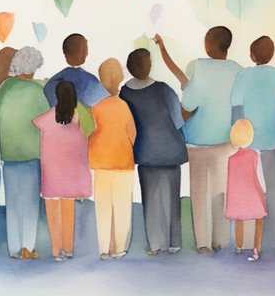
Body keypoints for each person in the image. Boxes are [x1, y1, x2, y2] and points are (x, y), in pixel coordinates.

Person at [155, 27, 241, 253]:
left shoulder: (201, 68)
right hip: (225, 141)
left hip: (197, 142)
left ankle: (202, 243)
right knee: (220, 192)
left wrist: (178, 120)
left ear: (209, 44)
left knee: (198, 193)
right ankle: (220, 241)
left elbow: (188, 106)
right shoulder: (237, 70)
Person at [119, 47, 187, 255]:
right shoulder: (163, 89)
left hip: (145, 151)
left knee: (150, 198)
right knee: (172, 197)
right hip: (169, 150)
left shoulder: (125, 92)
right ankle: (174, 242)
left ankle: (156, 243)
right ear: (147, 67)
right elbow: (178, 120)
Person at [230, 36, 275, 257]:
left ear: (252, 55)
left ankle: (248, 242)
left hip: (249, 144)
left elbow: (236, 109)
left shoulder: (244, 76)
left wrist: (236, 137)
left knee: (248, 193)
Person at [0, 46, 49, 259]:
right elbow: (45, 121)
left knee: (13, 203)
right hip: (31, 154)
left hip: (9, 153)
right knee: (31, 203)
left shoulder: (5, 87)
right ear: (33, 68)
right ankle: (28, 246)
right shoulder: (37, 91)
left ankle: (14, 249)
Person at [34, 80, 92, 260]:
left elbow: (35, 122)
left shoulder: (46, 118)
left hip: (52, 176)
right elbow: (90, 131)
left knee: (53, 215)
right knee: (69, 213)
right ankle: (68, 248)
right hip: (71, 176)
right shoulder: (80, 116)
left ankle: (56, 251)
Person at [89, 58, 136, 260]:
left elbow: (90, 134)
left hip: (101, 163)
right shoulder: (124, 106)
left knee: (103, 207)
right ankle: (119, 248)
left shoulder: (96, 108)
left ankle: (103, 249)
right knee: (123, 206)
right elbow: (132, 134)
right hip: (123, 161)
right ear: (120, 79)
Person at [225, 119, 267, 262]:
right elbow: (259, 176)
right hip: (254, 196)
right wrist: (264, 190)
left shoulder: (231, 159)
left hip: (238, 199)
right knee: (259, 219)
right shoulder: (254, 155)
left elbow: (231, 181)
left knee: (239, 220)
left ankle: (239, 245)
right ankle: (256, 248)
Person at [44, 33, 109, 107]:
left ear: (65, 53)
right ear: (85, 53)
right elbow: (105, 103)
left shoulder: (51, 82)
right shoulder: (91, 81)